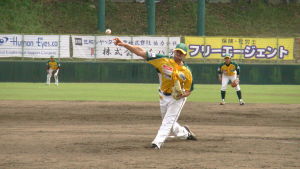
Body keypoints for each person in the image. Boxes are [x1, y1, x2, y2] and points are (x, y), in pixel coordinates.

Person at [113, 37, 197, 150]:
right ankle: (185, 133)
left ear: (185, 55)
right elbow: (140, 51)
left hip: (177, 99)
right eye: (177, 51)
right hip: (163, 96)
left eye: (181, 53)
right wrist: (124, 44)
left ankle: (157, 143)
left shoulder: (187, 72)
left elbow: (188, 91)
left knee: (167, 121)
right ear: (174, 51)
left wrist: (182, 95)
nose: (178, 54)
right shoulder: (163, 60)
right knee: (169, 123)